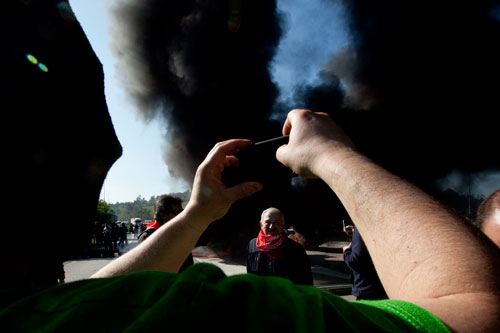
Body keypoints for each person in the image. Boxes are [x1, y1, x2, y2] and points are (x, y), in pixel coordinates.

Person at [3, 107, 500, 331]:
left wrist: (198, 213)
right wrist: (333, 156)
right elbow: (478, 308)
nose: (109, 148)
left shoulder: (61, 313)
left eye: (275, 223)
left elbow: (91, 300)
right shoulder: (199, 308)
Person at [246, 207, 313, 285]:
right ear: (261, 224)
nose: (271, 227)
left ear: (283, 225)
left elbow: (307, 282)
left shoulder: (296, 249)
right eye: (267, 222)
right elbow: (250, 276)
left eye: (276, 222)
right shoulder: (252, 245)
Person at [138, 195, 194, 272]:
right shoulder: (148, 237)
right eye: (177, 212)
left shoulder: (180, 234)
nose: (182, 216)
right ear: (163, 215)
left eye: (182, 212)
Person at [343, 225, 387, 300]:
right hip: (386, 288)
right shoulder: (384, 227)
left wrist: (346, 251)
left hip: (366, 290)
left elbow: (355, 261)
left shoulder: (361, 230)